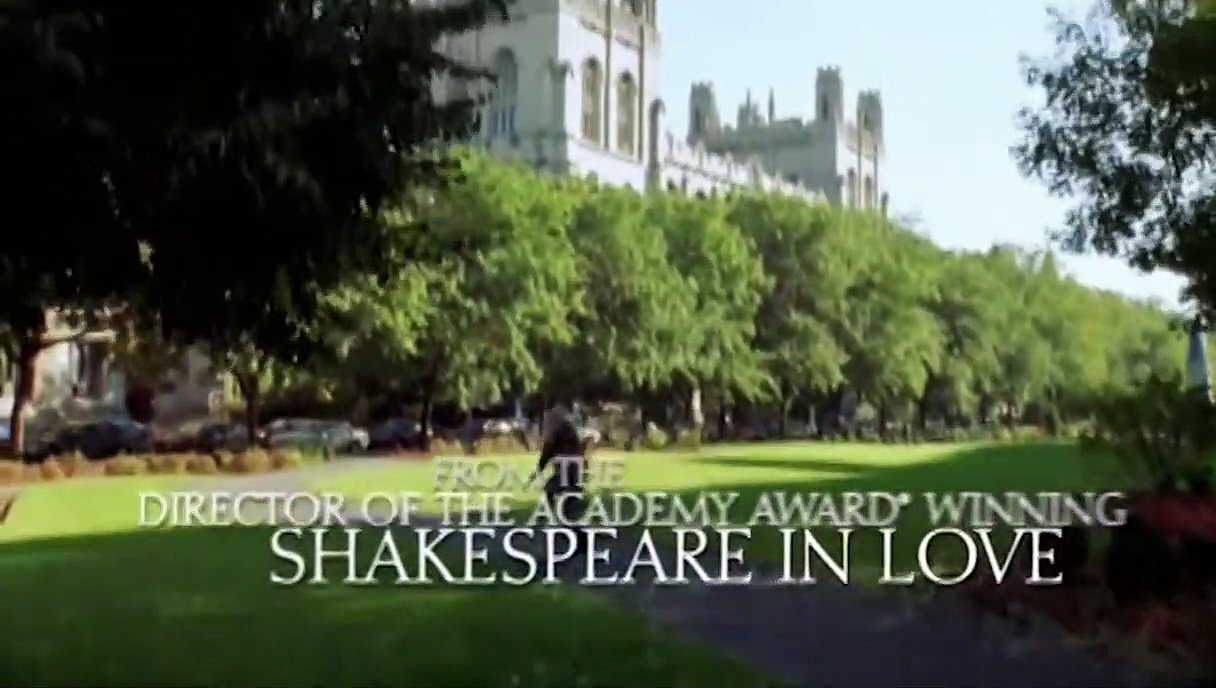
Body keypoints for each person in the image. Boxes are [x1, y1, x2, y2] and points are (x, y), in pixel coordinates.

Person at [534, 407, 590, 552]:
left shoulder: (556, 434)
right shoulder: (571, 432)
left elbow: (547, 453)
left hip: (565, 472)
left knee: (557, 499)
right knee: (566, 504)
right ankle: (574, 535)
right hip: (575, 472)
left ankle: (578, 537)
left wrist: (539, 469)